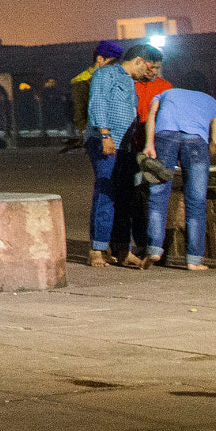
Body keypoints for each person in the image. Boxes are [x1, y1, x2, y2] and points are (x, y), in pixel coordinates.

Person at [85, 44, 158, 266]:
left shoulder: (130, 81)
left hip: (125, 146)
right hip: (105, 141)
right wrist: (105, 135)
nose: (151, 73)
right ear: (137, 60)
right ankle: (97, 250)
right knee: (106, 192)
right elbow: (98, 102)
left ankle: (121, 250)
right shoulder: (106, 73)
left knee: (125, 197)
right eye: (150, 67)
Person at [147, 83, 216, 271]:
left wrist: (149, 144)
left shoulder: (164, 93)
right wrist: (202, 160)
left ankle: (154, 250)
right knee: (197, 202)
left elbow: (151, 117)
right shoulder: (214, 103)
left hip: (165, 135)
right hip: (196, 140)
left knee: (158, 194)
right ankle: (194, 260)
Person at [116, 55, 175, 268]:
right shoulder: (131, 83)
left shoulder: (164, 86)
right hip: (132, 147)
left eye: (159, 68)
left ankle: (150, 246)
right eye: (153, 68)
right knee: (132, 197)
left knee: (150, 197)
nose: (155, 72)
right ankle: (136, 244)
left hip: (152, 149)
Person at [66, 40, 124, 152]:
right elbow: (80, 111)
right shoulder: (81, 81)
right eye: (113, 63)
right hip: (97, 135)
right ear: (100, 59)